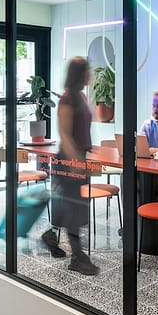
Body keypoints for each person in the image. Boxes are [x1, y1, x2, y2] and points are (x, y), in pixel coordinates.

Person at [40, 57, 99, 275]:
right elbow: (64, 133)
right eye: (87, 71)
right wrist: (75, 161)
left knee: (74, 209)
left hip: (79, 159)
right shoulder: (67, 99)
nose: (90, 74)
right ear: (79, 74)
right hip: (68, 161)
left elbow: (82, 128)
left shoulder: (81, 97)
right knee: (74, 211)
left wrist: (88, 151)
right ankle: (78, 258)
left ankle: (50, 236)